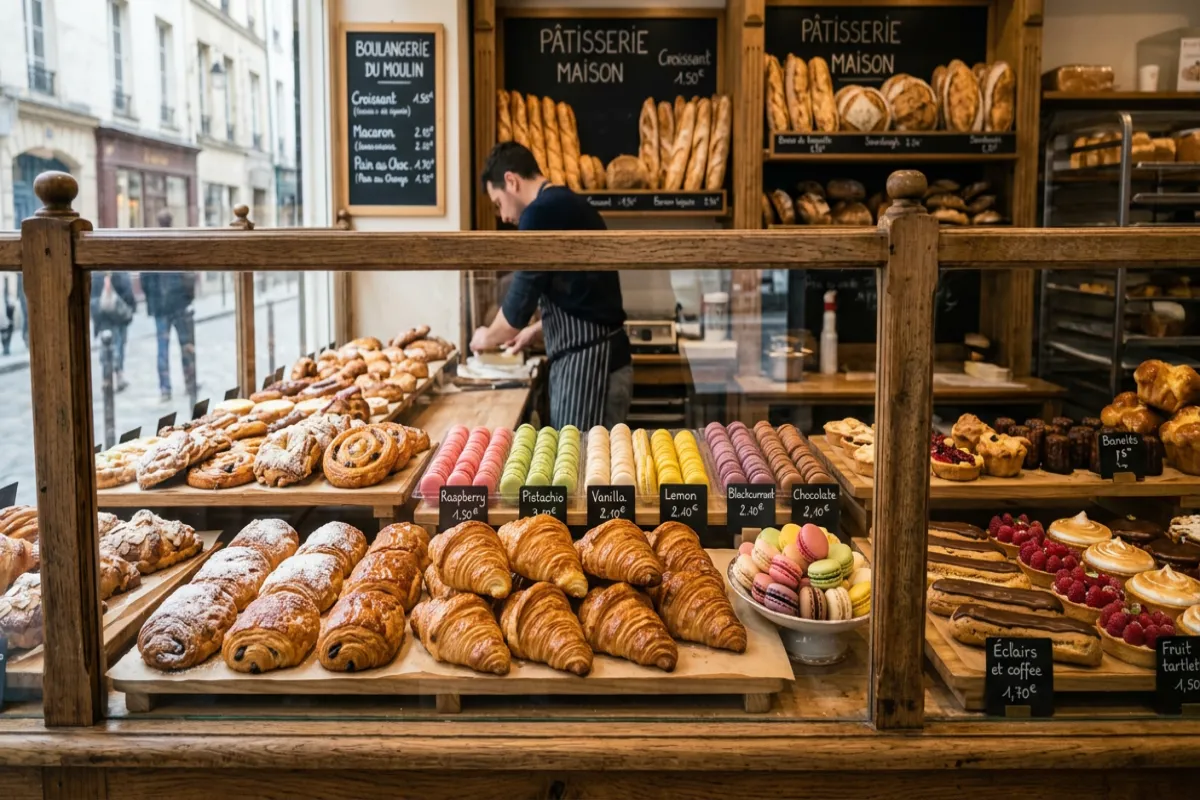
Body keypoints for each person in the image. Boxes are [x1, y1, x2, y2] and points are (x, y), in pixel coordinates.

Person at [472, 142, 632, 429]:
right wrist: (534, 331)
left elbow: (520, 300)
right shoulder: (565, 202)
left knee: (576, 469)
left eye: (498, 203)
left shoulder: (540, 213)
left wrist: (487, 337)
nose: (505, 217)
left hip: (590, 370)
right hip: (601, 364)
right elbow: (585, 299)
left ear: (511, 181)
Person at [141, 209, 197, 403]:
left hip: (162, 308)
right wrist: (188, 298)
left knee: (163, 349)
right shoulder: (177, 242)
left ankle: (166, 388)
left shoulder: (151, 245)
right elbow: (188, 274)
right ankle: (189, 382)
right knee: (186, 346)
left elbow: (145, 279)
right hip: (178, 306)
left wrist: (152, 303)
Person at [90, 271, 135, 391]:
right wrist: (130, 311)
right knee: (118, 346)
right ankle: (118, 375)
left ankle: (107, 379)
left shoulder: (96, 274)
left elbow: (92, 298)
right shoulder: (120, 272)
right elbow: (128, 292)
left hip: (104, 317)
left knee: (107, 347)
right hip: (118, 317)